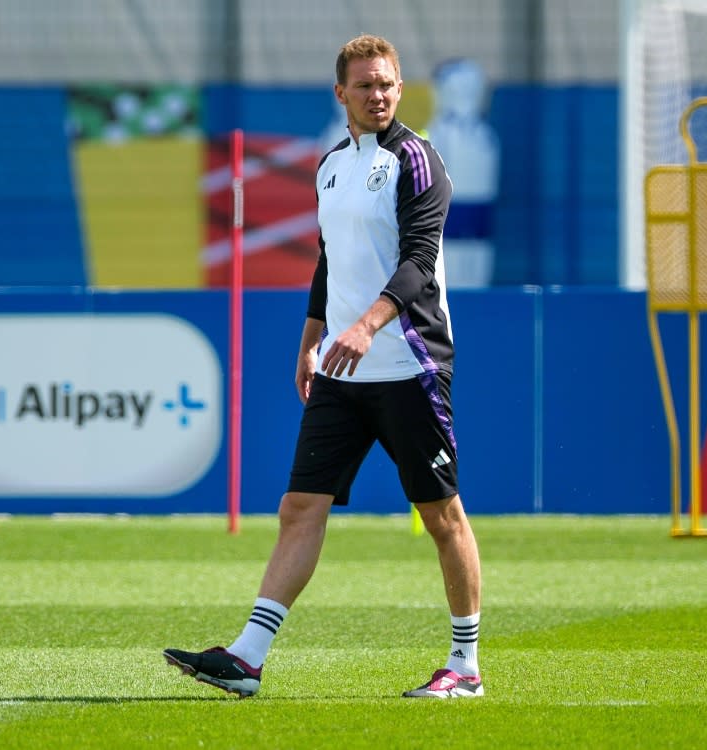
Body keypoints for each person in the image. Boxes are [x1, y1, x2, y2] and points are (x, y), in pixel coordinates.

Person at [164, 33, 484, 700]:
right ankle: (248, 658)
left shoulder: (417, 160)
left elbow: (419, 263)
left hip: (407, 364)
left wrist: (367, 326)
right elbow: (329, 260)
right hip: (343, 368)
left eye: (388, 83)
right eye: (365, 84)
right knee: (299, 506)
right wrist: (312, 338)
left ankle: (465, 666)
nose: (379, 94)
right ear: (341, 92)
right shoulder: (332, 164)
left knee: (441, 517)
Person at [423, 58, 500, 288]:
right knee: (454, 279)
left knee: (473, 277)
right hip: (450, 219)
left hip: (474, 219)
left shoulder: (483, 137)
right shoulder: (445, 133)